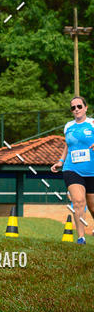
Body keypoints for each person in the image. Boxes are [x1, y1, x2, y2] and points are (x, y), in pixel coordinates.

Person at [51, 96, 94, 243]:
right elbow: (68, 145)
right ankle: (81, 237)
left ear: (86, 108)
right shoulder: (68, 126)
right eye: (73, 107)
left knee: (92, 207)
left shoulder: (92, 123)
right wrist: (61, 161)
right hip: (72, 168)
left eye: (79, 106)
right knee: (78, 201)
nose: (76, 109)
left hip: (92, 170)